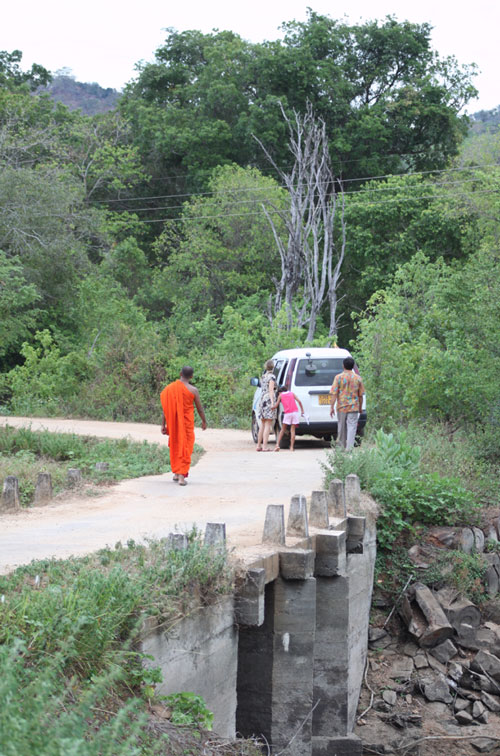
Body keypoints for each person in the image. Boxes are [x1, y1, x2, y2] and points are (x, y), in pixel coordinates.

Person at [160, 366, 207, 486]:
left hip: (174, 425)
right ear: (191, 376)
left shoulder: (170, 389)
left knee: (176, 446)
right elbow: (200, 409)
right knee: (185, 448)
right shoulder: (193, 390)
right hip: (186, 425)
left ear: (180, 373)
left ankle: (176, 473)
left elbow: (166, 409)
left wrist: (163, 424)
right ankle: (181, 477)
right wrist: (204, 421)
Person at [329, 357, 365, 451]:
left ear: (343, 365)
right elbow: (360, 395)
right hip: (354, 407)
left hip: (341, 406)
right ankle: (349, 449)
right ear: (353, 366)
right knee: (352, 427)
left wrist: (331, 407)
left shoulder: (338, 378)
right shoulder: (358, 378)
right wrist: (360, 407)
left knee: (341, 427)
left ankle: (341, 447)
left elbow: (334, 393)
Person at [273, 386, 305, 452]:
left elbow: (276, 406)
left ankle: (277, 445)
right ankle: (291, 447)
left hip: (287, 414)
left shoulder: (281, 395)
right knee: (292, 430)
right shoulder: (292, 393)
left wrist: (271, 407)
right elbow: (299, 401)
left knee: (282, 430)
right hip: (295, 413)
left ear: (280, 392)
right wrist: (302, 411)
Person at [256, 359, 277, 452]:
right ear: (273, 367)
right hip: (268, 400)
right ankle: (265, 446)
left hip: (262, 400)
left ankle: (258, 445)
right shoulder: (272, 377)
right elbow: (271, 390)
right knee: (268, 423)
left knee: (262, 424)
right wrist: (273, 402)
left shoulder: (263, 377)